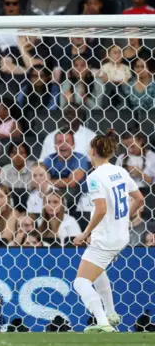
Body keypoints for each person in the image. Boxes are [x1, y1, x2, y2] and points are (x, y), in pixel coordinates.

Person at [73, 130, 144, 333]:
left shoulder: (94, 177)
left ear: (93, 151)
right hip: (121, 236)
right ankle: (111, 313)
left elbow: (102, 209)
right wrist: (124, 220)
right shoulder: (120, 171)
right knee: (99, 270)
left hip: (105, 239)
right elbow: (139, 199)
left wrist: (85, 233)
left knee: (81, 282)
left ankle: (103, 322)